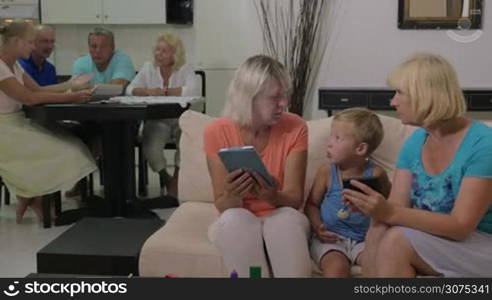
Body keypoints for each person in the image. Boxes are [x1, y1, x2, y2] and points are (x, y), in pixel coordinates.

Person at [343, 53, 492, 277]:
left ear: (424, 95)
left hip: (481, 244)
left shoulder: (483, 144)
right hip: (436, 240)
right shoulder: (416, 142)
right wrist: (375, 209)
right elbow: (394, 208)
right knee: (378, 228)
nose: (393, 102)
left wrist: (388, 212)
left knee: (397, 240)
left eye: (399, 93)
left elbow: (461, 226)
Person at [204, 55, 312, 278]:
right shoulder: (216, 132)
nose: (283, 103)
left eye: (284, 96)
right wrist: (233, 193)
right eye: (275, 98)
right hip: (237, 214)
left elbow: (294, 198)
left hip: (281, 212)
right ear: (249, 98)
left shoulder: (296, 127)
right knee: (235, 220)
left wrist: (272, 196)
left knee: (284, 222)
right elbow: (223, 204)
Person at [0, 20, 97, 224]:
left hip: (17, 124)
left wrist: (71, 86)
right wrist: (71, 97)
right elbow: (28, 98)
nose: (32, 47)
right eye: (29, 42)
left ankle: (31, 195)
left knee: (73, 144)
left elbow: (39, 90)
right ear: (17, 42)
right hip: (5, 130)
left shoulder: (14, 65)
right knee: (63, 151)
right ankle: (32, 194)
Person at [305, 108, 391, 277]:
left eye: (337, 138)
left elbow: (387, 208)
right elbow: (312, 204)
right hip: (331, 240)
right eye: (331, 136)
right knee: (336, 268)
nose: (329, 143)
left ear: (360, 149)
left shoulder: (376, 175)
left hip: (364, 240)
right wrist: (317, 227)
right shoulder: (327, 172)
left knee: (377, 265)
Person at [126, 32, 200, 198]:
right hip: (158, 120)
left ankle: (178, 178)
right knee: (151, 149)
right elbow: (130, 89)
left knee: (187, 142)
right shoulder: (148, 68)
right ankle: (167, 180)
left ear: (175, 53)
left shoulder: (185, 68)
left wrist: (164, 92)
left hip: (182, 119)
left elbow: (193, 90)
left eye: (164, 51)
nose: (158, 54)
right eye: (157, 50)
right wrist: (147, 91)